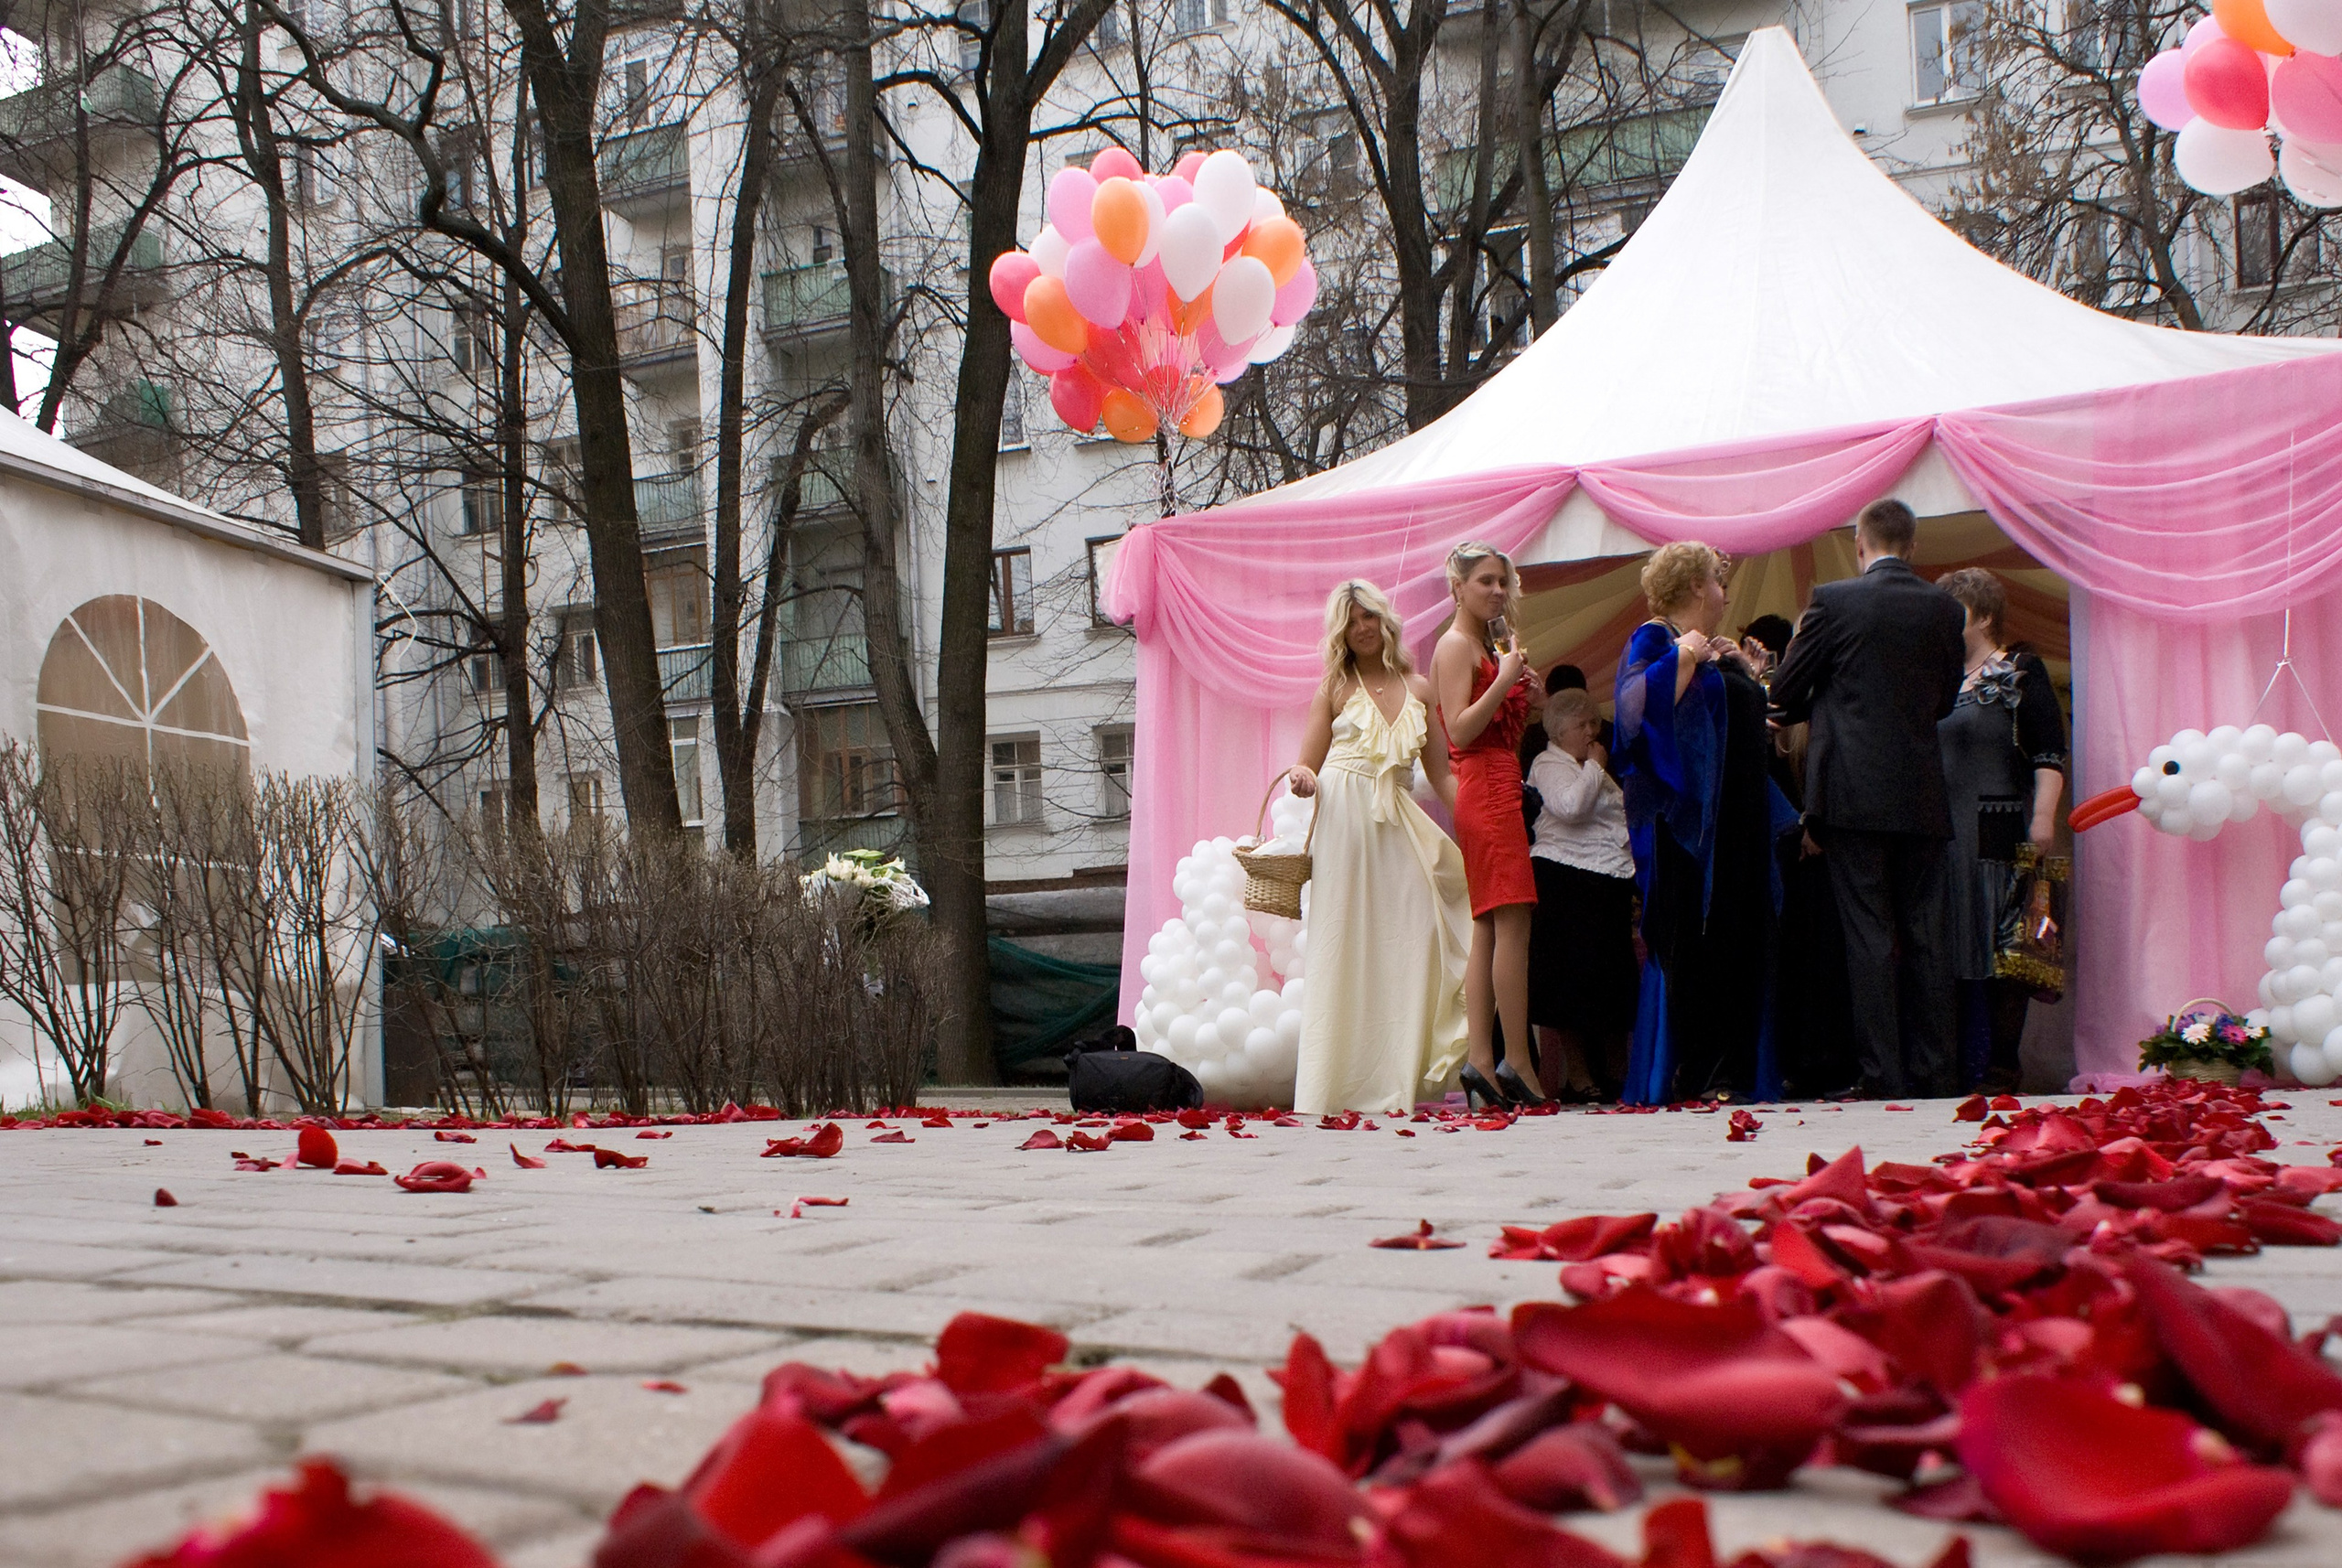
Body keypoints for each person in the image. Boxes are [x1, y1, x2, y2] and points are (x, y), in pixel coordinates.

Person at [1769, 499, 1968, 1100]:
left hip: (1853, 793)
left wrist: (1828, 696)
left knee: (1870, 935)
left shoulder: (1834, 600)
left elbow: (1784, 687)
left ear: (1860, 543)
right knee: (1927, 933)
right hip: (1922, 791)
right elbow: (1944, 699)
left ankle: (1884, 1074)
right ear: (1912, 546)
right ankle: (1938, 1071)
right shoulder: (1945, 607)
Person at [1284, 581, 1472, 1115]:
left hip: (1398, 818)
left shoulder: (1420, 688)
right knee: (1344, 939)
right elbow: (1308, 763)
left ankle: (1398, 1079)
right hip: (1344, 816)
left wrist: (1479, 823)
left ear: (1385, 621)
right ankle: (1334, 1085)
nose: (1362, 627)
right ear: (1340, 632)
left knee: (1419, 932)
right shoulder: (1333, 688)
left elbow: (1441, 773)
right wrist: (1300, 777)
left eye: (1369, 616)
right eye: (1351, 620)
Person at [1614, 541, 1788, 1104]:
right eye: (1718, 580)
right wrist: (1686, 656)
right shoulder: (1656, 637)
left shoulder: (1713, 649)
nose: (1725, 592)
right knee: (1698, 939)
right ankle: (1699, 1068)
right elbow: (1633, 715)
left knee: (1740, 938)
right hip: (1686, 829)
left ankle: (1733, 1068)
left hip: (1736, 824)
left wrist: (1743, 674)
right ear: (1693, 587)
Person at [1935, 568, 2067, 1093]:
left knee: (2004, 951)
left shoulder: (2020, 670)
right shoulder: (1939, 680)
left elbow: (2049, 752)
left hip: (1998, 825)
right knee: (1951, 949)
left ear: (1984, 615)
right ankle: (1955, 1065)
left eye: (1955, 612)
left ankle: (2001, 1069)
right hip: (1945, 834)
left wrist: (2042, 817)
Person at [1433, 542, 1546, 1107]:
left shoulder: (1486, 643)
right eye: (1485, 581)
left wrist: (1528, 690)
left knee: (1489, 924)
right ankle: (1516, 1058)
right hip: (1484, 786)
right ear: (1457, 586)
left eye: (1502, 580)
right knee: (1513, 921)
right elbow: (1458, 731)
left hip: (1497, 782)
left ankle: (1482, 1059)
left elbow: (1499, 723)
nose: (1498, 590)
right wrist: (1504, 680)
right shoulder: (1455, 646)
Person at [1526, 688, 1638, 1101]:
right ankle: (1578, 1073)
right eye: (1582, 725)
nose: (1592, 731)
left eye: (1595, 722)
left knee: (1612, 977)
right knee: (1568, 982)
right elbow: (1570, 807)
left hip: (1605, 876)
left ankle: (1617, 1068)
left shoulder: (1588, 762)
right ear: (1558, 732)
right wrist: (1595, 768)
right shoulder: (1549, 763)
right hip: (1563, 877)